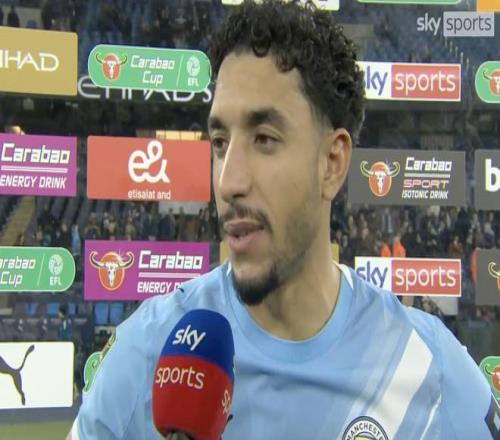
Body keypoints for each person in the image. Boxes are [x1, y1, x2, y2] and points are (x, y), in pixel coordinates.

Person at [69, 2, 496, 439]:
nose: (229, 182)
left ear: (332, 163)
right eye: (220, 142)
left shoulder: (426, 369)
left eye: (264, 139)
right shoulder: (149, 353)